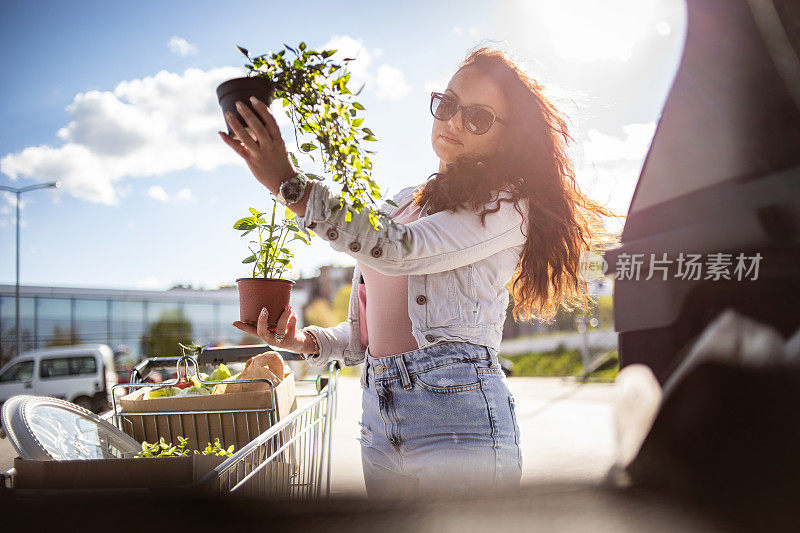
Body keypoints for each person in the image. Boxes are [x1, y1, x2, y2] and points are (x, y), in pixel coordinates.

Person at [220, 46, 619, 499]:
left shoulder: (506, 207)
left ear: (510, 138)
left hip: (457, 420)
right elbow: (363, 337)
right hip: (379, 422)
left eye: (478, 117)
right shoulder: (404, 203)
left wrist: (289, 184)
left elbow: (398, 251)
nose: (452, 122)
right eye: (447, 105)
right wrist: (302, 342)